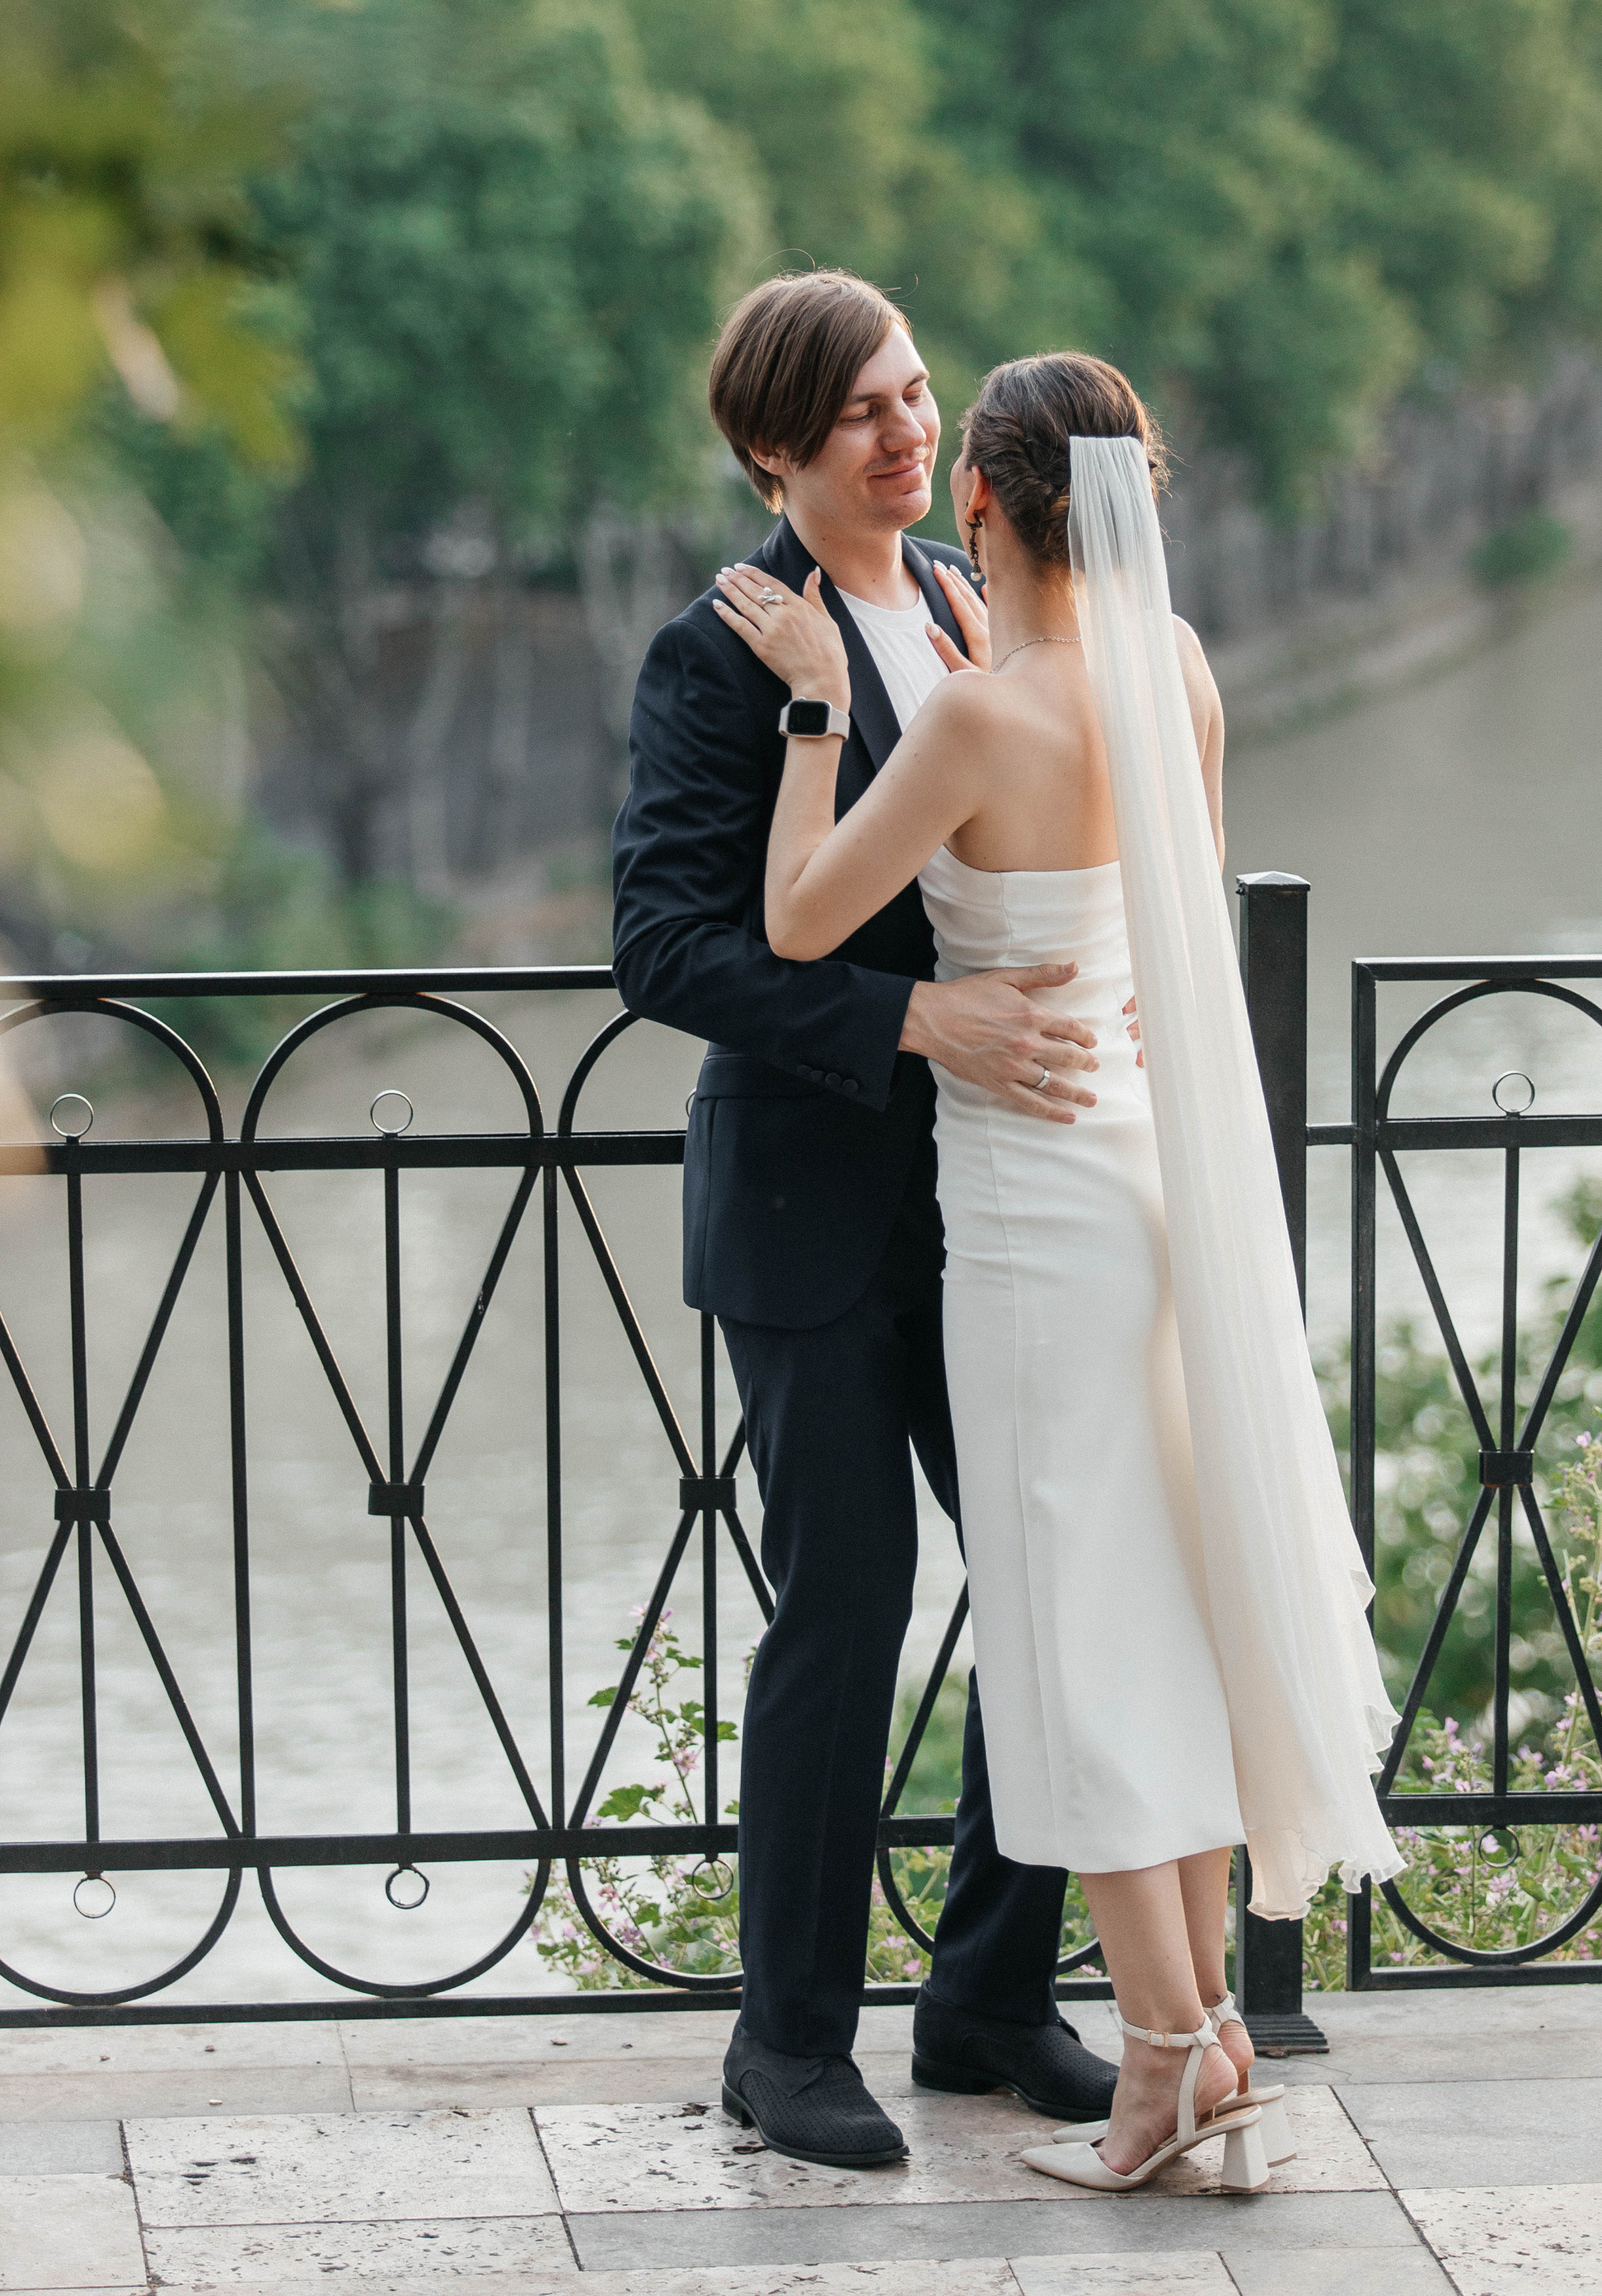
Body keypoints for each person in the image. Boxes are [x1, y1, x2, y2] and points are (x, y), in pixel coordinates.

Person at [710, 350, 1398, 2195]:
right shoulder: (1172, 674)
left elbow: (792, 921)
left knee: (1067, 1642)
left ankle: (1169, 2053)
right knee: (1152, 1612)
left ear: (986, 506)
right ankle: (1211, 2039)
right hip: (1160, 1176)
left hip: (1025, 1221)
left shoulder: (973, 718)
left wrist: (802, 715)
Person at [611, 273, 1122, 2170]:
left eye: (917, 400)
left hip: (992, 1197)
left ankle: (987, 1996)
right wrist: (908, 1014)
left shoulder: (973, 611)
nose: (910, 436)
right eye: (862, 417)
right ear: (772, 449)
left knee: (1052, 1575)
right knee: (850, 1604)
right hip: (814, 1204)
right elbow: (661, 948)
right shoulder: (721, 651)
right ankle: (783, 2044)